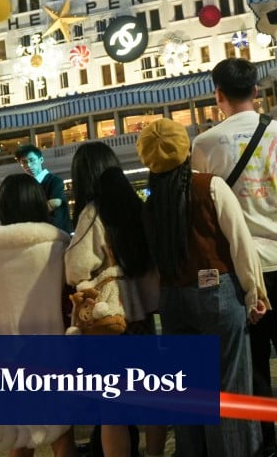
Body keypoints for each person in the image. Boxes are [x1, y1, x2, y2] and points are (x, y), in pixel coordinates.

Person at [190, 58, 277, 457]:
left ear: (218, 95)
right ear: (258, 92)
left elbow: (203, 202)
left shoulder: (205, 144)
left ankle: (265, 444)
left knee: (255, 363)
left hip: (241, 272)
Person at [137, 118, 269, 457]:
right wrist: (255, 294)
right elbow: (240, 244)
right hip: (217, 295)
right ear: (185, 149)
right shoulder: (210, 186)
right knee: (229, 388)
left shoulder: (150, 205)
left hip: (173, 301)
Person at [65, 142, 166, 457]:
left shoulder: (92, 212)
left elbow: (76, 268)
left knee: (113, 407)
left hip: (110, 321)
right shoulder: (136, 206)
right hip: (143, 319)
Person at [0, 173, 74, 457]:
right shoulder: (55, 245)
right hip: (50, 349)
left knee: (19, 435)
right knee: (61, 431)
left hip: (3, 354)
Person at [15, 144, 71, 233]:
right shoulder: (24, 186)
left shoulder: (55, 181)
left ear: (41, 160)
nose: (28, 165)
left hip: (57, 234)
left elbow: (56, 203)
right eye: (24, 162)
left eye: (31, 160)